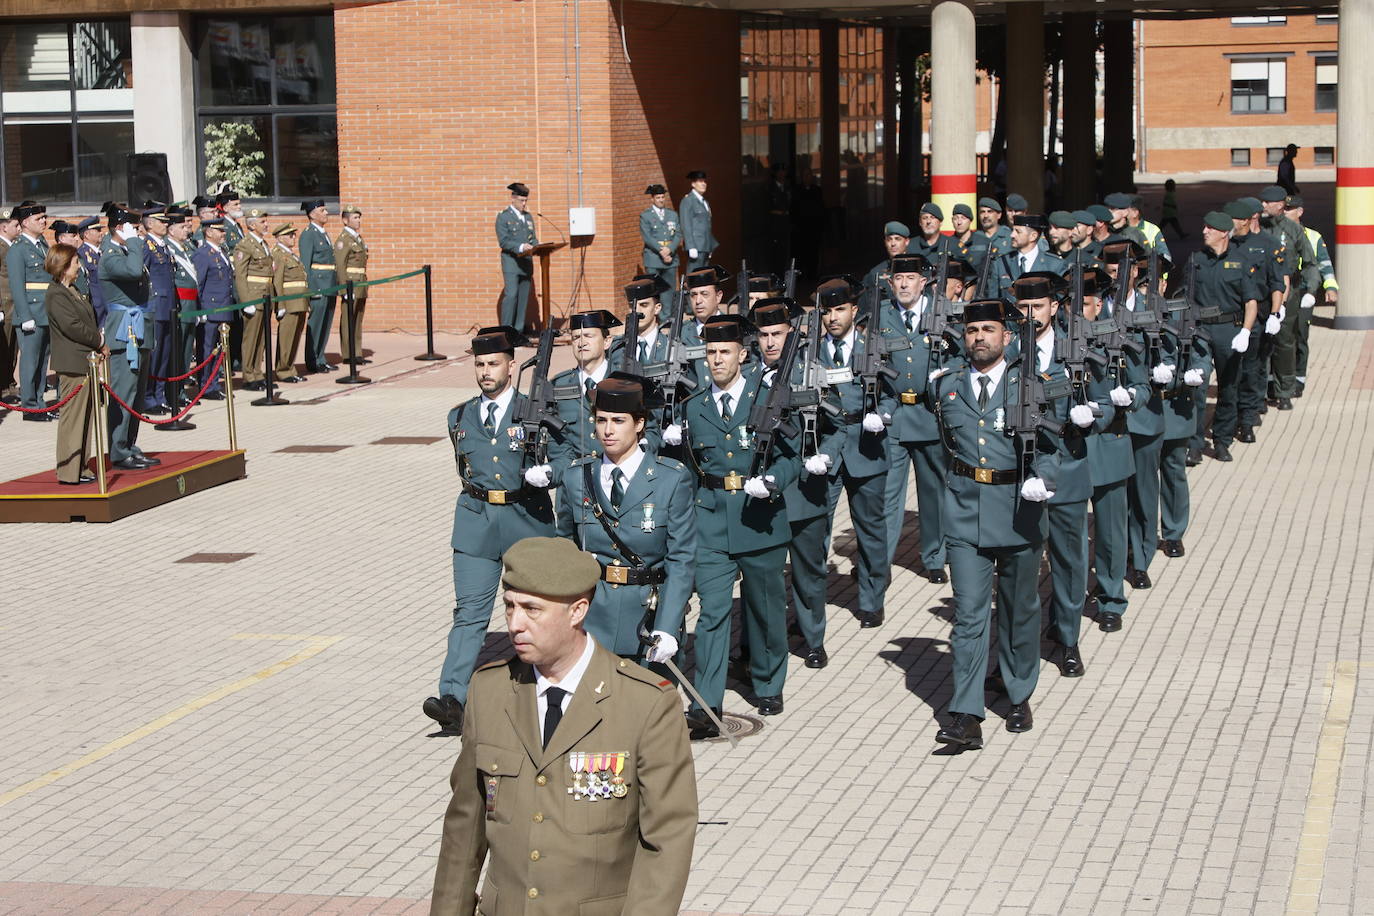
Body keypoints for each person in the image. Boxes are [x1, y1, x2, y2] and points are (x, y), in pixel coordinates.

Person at [430, 536, 697, 916]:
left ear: (577, 611)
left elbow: (667, 840)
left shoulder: (645, 703)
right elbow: (464, 830)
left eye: (532, 610)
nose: (515, 624)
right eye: (509, 607)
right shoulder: (489, 691)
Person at [928, 299, 1059, 750]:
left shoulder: (1033, 386)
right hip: (966, 513)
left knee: (1020, 611)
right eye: (972, 330)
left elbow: (1056, 445)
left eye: (989, 329)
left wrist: (1045, 479)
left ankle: (1019, 692)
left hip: (1019, 511)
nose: (979, 337)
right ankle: (966, 713)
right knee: (968, 616)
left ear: (1007, 336)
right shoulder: (946, 386)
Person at [423, 326, 556, 737]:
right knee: (469, 613)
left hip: (526, 520)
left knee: (535, 611)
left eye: (493, 364)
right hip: (476, 523)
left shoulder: (535, 411)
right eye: (479, 364)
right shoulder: (459, 416)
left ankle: (546, 692)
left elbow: (564, 458)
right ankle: (452, 698)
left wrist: (548, 474)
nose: (485, 371)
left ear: (510, 365)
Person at [671, 314, 799, 734]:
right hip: (710, 523)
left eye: (725, 352)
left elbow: (791, 455)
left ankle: (768, 681)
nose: (716, 360)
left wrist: (774, 481)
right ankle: (705, 703)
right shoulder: (693, 407)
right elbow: (687, 469)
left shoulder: (769, 398)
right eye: (710, 353)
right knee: (712, 614)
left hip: (759, 518)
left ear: (743, 355)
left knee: (764, 609)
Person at [556, 373, 696, 665]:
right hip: (592, 617)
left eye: (619, 421)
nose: (608, 430)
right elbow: (565, 550)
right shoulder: (575, 477)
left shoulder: (671, 479)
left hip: (647, 617)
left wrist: (668, 627)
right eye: (601, 420)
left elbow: (681, 559)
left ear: (640, 424)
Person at [1017, 271, 1106, 677]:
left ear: (1055, 307)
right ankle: (1022, 642)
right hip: (1023, 472)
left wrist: (1092, 414)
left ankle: (1068, 638)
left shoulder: (1076, 347)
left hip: (1068, 466)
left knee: (1070, 561)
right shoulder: (1008, 350)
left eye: (1038, 307)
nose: (1031, 314)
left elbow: (1105, 397)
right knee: (1023, 563)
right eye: (1023, 307)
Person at [796, 277, 896, 631]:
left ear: (855, 310)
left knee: (869, 528)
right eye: (828, 311)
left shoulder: (874, 345)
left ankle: (871, 600)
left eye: (840, 309)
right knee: (814, 531)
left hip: (866, 446)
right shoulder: (809, 350)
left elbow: (893, 392)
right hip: (824, 448)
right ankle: (809, 610)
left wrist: (881, 415)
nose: (833, 317)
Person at [878, 253, 948, 583]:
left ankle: (934, 556)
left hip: (929, 414)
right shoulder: (881, 316)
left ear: (924, 282)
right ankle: (882, 561)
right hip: (893, 415)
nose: (904, 284)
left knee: (932, 493)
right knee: (888, 495)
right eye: (898, 278)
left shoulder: (942, 313)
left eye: (911, 278)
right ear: (891, 283)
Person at [1188, 211, 1263, 464]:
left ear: (1223, 233)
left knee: (1228, 388)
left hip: (1229, 332)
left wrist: (1245, 332)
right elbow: (1183, 296)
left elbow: (1251, 303)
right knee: (1196, 390)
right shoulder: (1196, 260)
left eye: (1209, 228)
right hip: (1200, 332)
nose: (1204, 232)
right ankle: (1195, 444)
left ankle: (1222, 440)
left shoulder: (1241, 262)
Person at [99, 205, 159, 470]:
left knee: (136, 394)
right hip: (124, 331)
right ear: (117, 228)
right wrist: (134, 242)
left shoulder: (126, 250)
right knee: (124, 392)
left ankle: (129, 445)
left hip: (139, 328)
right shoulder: (110, 255)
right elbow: (134, 271)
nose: (137, 233)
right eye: (132, 228)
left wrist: (132, 242)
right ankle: (118, 449)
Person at [46, 243, 109, 485]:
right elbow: (72, 327)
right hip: (72, 362)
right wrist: (100, 340)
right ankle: (68, 471)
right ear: (63, 266)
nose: (79, 267)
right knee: (73, 420)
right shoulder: (56, 294)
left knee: (86, 419)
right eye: (75, 263)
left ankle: (82, 466)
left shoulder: (72, 289)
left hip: (84, 361)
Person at [1284, 196, 1337, 396]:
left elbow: (1324, 264)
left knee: (1299, 335)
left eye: (1289, 209)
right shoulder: (1275, 234)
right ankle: (1277, 381)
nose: (1285, 212)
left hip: (1304, 292)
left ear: (1300, 211)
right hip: (1282, 292)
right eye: (1283, 208)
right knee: (1279, 338)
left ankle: (1299, 378)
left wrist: (1330, 287)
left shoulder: (1313, 236)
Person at [8, 202, 54, 419]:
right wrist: (25, 316)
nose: (43, 221)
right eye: (38, 218)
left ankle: (40, 403)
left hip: (45, 311)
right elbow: (17, 286)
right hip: (31, 312)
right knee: (30, 362)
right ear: (25, 223)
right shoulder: (18, 249)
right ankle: (30, 406)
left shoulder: (43, 245)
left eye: (44, 217)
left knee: (43, 361)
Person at [190, 218, 235, 401]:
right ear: (208, 232)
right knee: (207, 350)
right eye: (220, 231)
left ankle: (214, 383)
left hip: (223, 306)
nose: (224, 234)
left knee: (219, 349)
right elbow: (199, 284)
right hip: (210, 308)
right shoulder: (203, 254)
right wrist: (200, 311)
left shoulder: (221, 251)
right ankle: (207, 386)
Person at [232, 209, 274, 391]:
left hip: (266, 295)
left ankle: (258, 373)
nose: (266, 224)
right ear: (251, 224)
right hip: (254, 296)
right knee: (251, 338)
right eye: (262, 222)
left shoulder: (263, 243)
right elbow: (240, 276)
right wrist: (246, 301)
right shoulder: (245, 245)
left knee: (262, 339)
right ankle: (249, 375)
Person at [141, 208, 176, 414]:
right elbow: (142, 277)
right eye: (161, 221)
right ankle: (148, 397)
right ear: (150, 223)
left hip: (168, 306)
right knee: (154, 355)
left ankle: (160, 395)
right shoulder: (147, 246)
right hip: (155, 307)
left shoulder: (163, 247)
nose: (166, 224)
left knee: (164, 355)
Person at [298, 199, 337, 373]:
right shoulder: (308, 234)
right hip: (318, 285)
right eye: (322, 210)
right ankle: (312, 359)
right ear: (312, 214)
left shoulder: (323, 233)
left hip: (329, 284)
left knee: (326, 323)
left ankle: (321, 357)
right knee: (316, 323)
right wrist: (310, 290)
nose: (326, 213)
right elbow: (306, 264)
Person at [989, 214, 1066, 302]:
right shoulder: (1001, 263)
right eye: (1013, 230)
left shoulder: (1054, 264)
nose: (1012, 235)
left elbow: (1061, 303)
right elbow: (993, 300)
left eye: (1018, 231)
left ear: (1033, 236)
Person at [270, 224, 309, 384]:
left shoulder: (290, 255)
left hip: (299, 302)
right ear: (280, 237)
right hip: (289, 302)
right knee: (286, 339)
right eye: (290, 235)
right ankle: (283, 371)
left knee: (295, 338)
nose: (293, 237)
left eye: (293, 235)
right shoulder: (278, 255)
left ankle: (290, 368)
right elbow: (277, 282)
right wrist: (280, 305)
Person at [496, 182, 537, 331]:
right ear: (513, 198)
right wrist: (521, 247)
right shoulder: (504, 217)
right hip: (511, 262)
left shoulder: (528, 217)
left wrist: (536, 246)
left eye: (526, 200)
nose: (524, 204)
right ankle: (506, 331)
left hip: (526, 262)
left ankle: (518, 331)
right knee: (512, 295)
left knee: (523, 299)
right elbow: (504, 241)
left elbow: (533, 238)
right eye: (521, 200)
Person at [334, 204, 369, 365]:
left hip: (361, 281)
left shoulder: (357, 238)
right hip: (351, 283)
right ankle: (348, 354)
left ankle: (357, 352)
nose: (358, 220)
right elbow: (340, 265)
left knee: (358, 318)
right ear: (345, 220)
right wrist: (344, 288)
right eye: (355, 217)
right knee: (348, 318)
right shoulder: (344, 240)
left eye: (359, 217)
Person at [609, 275, 670, 368]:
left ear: (657, 308)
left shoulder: (669, 346)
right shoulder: (616, 349)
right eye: (632, 306)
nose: (637, 311)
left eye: (644, 305)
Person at [640, 184, 682, 313]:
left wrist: (669, 249)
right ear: (652, 199)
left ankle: (667, 316)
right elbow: (647, 236)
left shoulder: (672, 214)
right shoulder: (646, 216)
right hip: (654, 258)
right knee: (654, 288)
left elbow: (678, 233)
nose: (661, 200)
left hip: (670, 256)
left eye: (663, 197)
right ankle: (657, 316)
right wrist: (661, 250)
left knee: (670, 288)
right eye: (658, 197)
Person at [862, 221, 912, 305]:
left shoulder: (918, 268)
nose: (893, 244)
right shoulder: (875, 273)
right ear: (885, 242)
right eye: (889, 239)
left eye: (897, 239)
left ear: (906, 241)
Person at [0, 208, 20, 405]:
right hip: (4, 305)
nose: (19, 228)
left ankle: (9, 384)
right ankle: (4, 387)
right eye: (15, 225)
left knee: (13, 347)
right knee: (4, 347)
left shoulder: (13, 246)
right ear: (4, 227)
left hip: (14, 305)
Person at [680, 170, 716, 273]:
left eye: (704, 181)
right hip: (696, 245)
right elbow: (686, 224)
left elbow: (707, 225)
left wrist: (710, 245)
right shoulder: (688, 201)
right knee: (694, 274)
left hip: (705, 245)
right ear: (693, 184)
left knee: (703, 275)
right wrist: (691, 246)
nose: (704, 184)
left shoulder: (704, 202)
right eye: (700, 181)